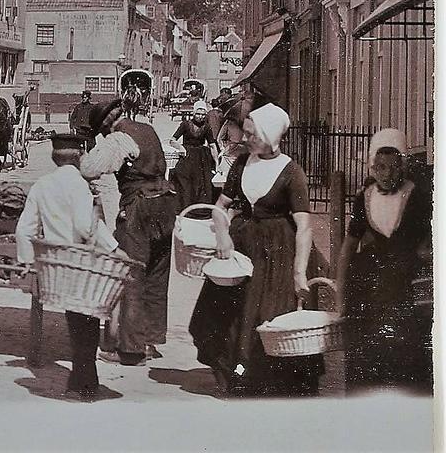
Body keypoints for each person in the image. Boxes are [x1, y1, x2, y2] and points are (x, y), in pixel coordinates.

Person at [189, 103, 324, 397]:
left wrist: (299, 272)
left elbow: (304, 226)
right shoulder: (240, 164)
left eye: (252, 135)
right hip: (243, 249)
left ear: (270, 136)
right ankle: (236, 374)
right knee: (222, 312)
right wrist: (223, 234)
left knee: (265, 314)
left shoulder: (291, 171)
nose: (245, 139)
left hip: (278, 252)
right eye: (246, 133)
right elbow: (220, 207)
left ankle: (266, 380)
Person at [15, 134, 121, 401]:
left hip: (58, 266)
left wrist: (30, 262)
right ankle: (81, 383)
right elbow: (87, 228)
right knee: (88, 322)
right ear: (78, 157)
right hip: (81, 262)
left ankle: (85, 381)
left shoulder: (42, 185)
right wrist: (113, 248)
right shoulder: (79, 186)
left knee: (76, 321)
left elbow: (25, 229)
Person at [335, 128, 433, 396]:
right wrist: (340, 294)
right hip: (368, 284)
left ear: (402, 165)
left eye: (393, 167)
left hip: (405, 282)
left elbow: (429, 241)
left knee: (405, 352)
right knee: (366, 351)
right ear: (371, 166)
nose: (386, 174)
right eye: (380, 167)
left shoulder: (417, 196)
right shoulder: (364, 197)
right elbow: (348, 247)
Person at [81, 99, 178, 366]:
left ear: (105, 124)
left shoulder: (117, 139)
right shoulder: (147, 128)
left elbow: (90, 169)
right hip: (167, 202)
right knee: (157, 273)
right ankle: (150, 341)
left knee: (131, 272)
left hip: (140, 206)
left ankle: (130, 349)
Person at [169, 101, 219, 210]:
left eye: (203, 114)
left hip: (201, 156)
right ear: (194, 113)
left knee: (202, 180)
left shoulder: (206, 127)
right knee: (182, 176)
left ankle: (197, 206)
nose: (200, 117)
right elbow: (172, 140)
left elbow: (212, 145)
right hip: (187, 153)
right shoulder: (185, 124)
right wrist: (181, 148)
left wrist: (216, 161)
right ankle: (185, 204)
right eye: (198, 114)